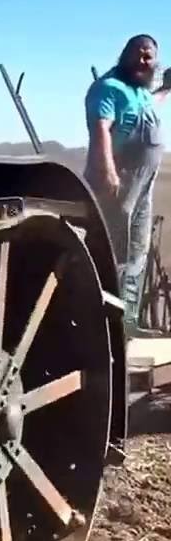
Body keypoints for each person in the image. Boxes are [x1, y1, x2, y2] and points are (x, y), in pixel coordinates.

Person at [84, 34, 171, 324]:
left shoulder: (140, 91)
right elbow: (101, 129)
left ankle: (128, 322)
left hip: (142, 187)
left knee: (137, 253)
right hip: (117, 184)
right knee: (113, 251)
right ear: (125, 54)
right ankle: (104, 323)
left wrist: (167, 88)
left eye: (148, 57)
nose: (143, 61)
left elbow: (150, 104)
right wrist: (108, 170)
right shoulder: (109, 87)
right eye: (138, 54)